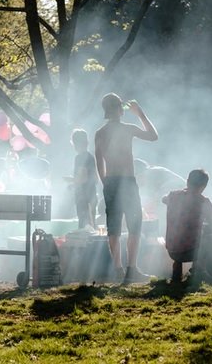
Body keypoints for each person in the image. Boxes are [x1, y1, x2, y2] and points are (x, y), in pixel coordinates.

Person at [94, 93, 158, 284]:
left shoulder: (100, 133)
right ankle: (131, 269)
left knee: (114, 228)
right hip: (127, 181)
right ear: (120, 110)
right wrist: (140, 114)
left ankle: (119, 269)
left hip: (111, 181)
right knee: (134, 226)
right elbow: (153, 136)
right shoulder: (127, 129)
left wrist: (105, 182)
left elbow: (98, 161)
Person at [163, 169, 212, 283]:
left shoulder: (172, 195)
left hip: (172, 250)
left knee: (185, 235)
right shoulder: (204, 202)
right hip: (190, 252)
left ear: (187, 181)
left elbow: (163, 199)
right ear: (204, 186)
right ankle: (198, 271)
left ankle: (177, 273)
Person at [133, 158, 186, 235]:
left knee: (162, 214)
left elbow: (152, 199)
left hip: (176, 190)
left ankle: (163, 235)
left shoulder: (149, 174)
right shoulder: (153, 171)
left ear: (138, 173)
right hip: (182, 192)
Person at [70, 129, 98, 229]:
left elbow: (83, 178)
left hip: (83, 197)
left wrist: (72, 182)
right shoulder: (91, 157)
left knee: (84, 226)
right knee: (91, 225)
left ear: (75, 143)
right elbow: (95, 178)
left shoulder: (80, 158)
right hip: (92, 195)